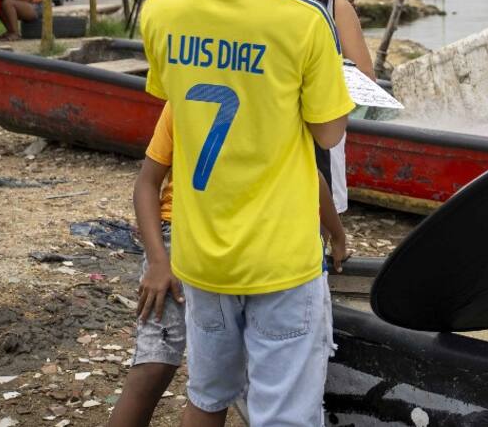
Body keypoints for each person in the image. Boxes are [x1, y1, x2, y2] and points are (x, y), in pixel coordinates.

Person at [138, 0, 354, 427]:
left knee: (208, 398)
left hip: (201, 258)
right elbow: (329, 134)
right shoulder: (306, 22)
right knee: (284, 414)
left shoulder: (161, 10)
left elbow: (175, 97)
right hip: (282, 262)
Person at [107, 102, 349, 427]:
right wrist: (157, 261)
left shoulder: (195, 86)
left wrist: (337, 235)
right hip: (192, 237)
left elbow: (310, 174)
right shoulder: (265, 97)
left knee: (206, 390)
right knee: (161, 368)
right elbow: (147, 183)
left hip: (214, 245)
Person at [265, 0, 375, 215]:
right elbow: (368, 80)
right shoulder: (263, 7)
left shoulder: (333, 6)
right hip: (285, 132)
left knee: (314, 214)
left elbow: (365, 80)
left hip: (316, 134)